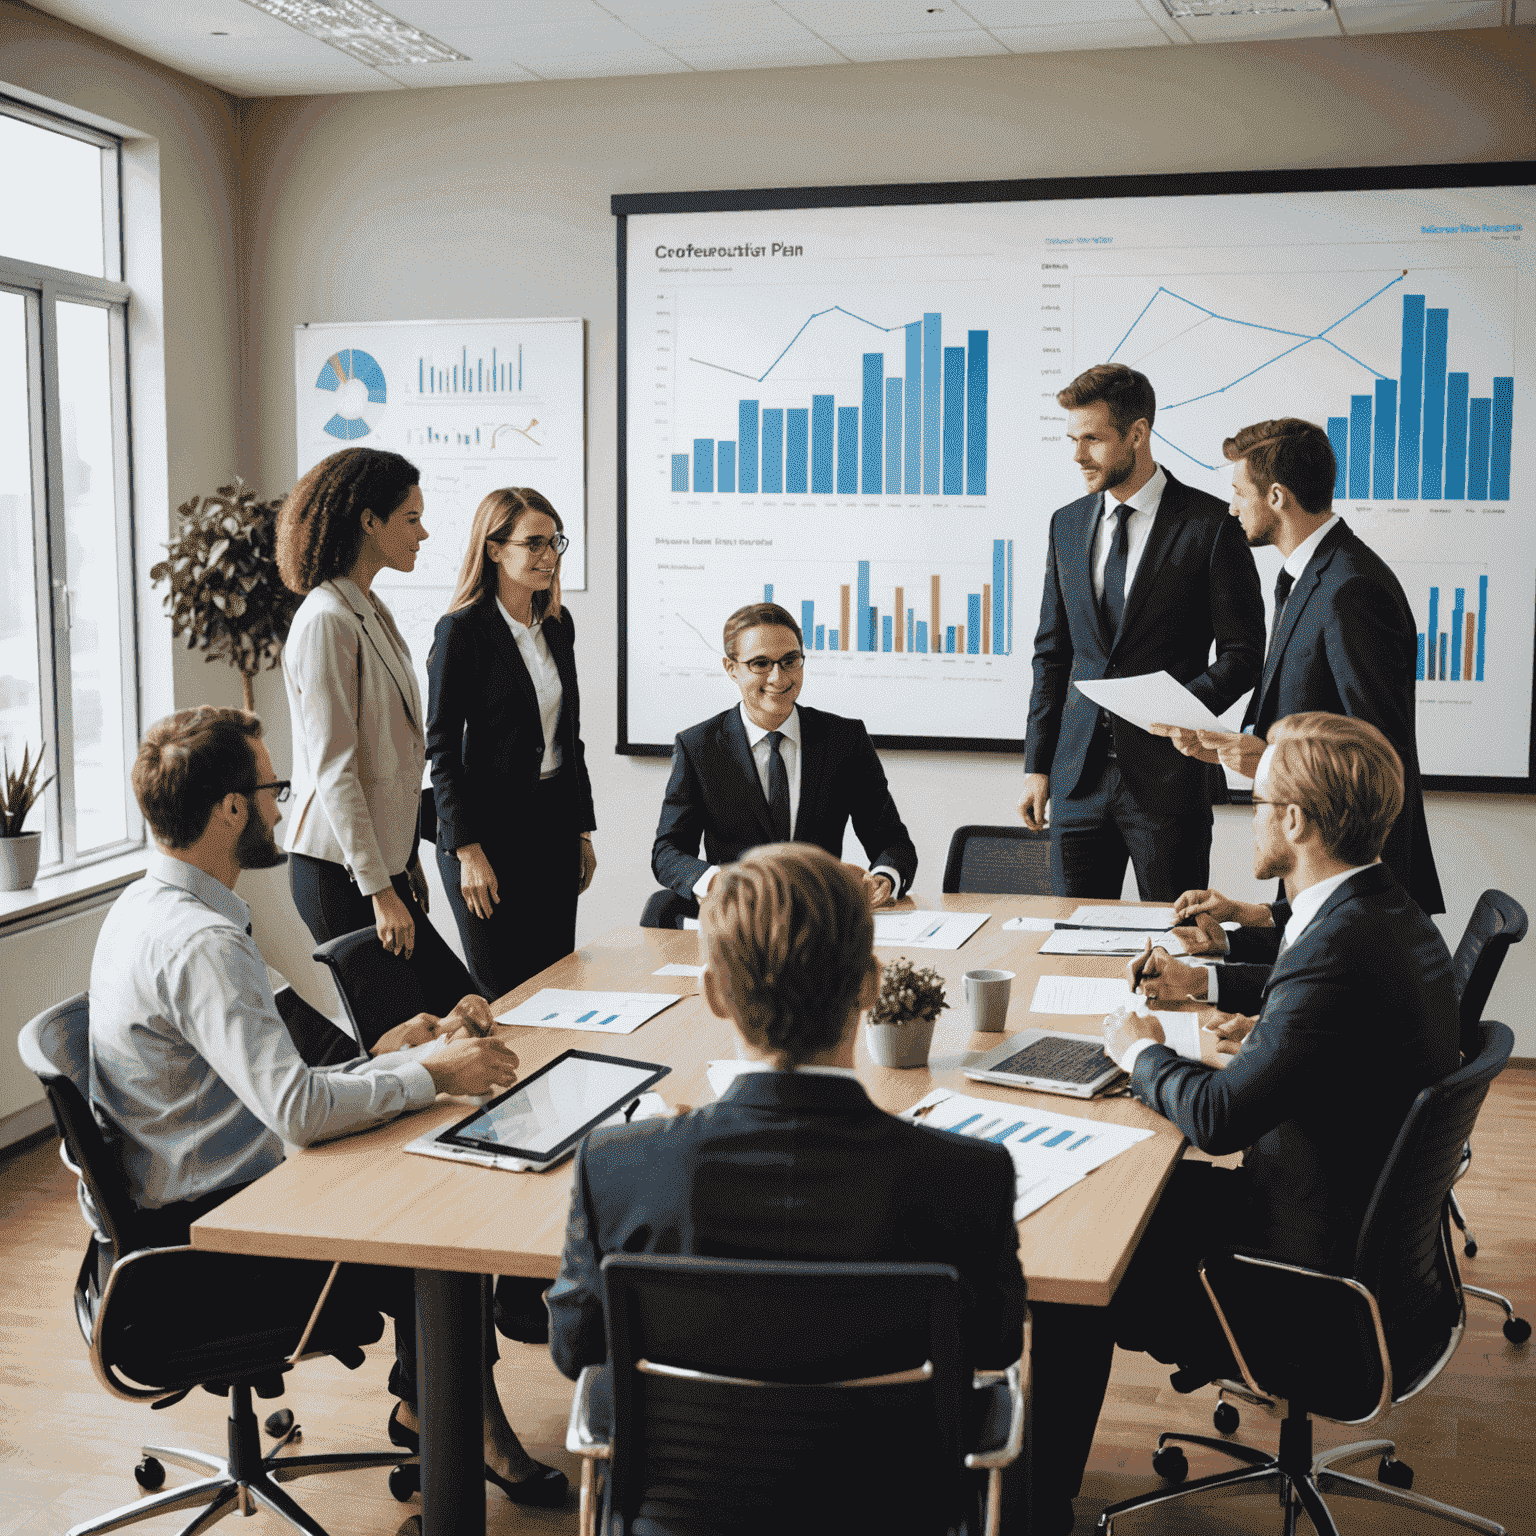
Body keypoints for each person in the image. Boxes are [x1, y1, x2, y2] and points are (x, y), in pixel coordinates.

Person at [89, 706, 568, 1507]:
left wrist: (405, 1051)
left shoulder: (149, 908)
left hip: (177, 1201)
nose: (283, 806)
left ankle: (430, 1402)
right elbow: (299, 1112)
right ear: (231, 807)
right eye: (273, 788)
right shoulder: (201, 942)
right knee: (436, 1203)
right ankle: (462, 1427)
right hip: (216, 1240)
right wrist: (437, 1076)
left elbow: (269, 1074)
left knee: (416, 1145)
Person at [1027, 712, 1459, 1535]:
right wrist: (1230, 1009)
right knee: (1130, 1197)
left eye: (1256, 800)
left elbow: (1221, 1122)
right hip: (1368, 1247)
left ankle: (1037, 1512)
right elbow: (1315, 1028)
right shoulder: (1379, 911)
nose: (1247, 815)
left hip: (1305, 1280)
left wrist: (1141, 1050)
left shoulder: (1338, 945)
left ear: (1295, 821)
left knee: (1078, 1256)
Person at [546, 843, 1025, 1514]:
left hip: (683, 1518)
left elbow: (575, 1350)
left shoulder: (617, 1164)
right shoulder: (970, 1176)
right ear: (869, 984)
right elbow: (995, 1345)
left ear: (712, 991)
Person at [1153, 416, 1443, 918]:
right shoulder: (1312, 576)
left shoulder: (1351, 589)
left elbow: (1377, 756)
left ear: (1277, 498)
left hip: (1357, 893)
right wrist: (1239, 752)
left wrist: (1266, 761)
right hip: (1318, 876)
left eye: (1239, 492)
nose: (1230, 507)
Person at [1020, 363, 1265, 902]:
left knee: (1172, 941)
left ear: (1137, 434)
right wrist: (1037, 766)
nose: (1078, 456)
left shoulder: (1211, 525)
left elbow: (1245, 654)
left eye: (1092, 439)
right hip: (1076, 781)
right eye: (1072, 439)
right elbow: (1052, 655)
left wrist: (1176, 709)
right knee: (1070, 944)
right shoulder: (1066, 523)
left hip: (1170, 781)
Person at [276, 446, 472, 1009]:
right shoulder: (326, 620)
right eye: (411, 519)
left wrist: (404, 857)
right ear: (369, 521)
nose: (424, 533)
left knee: (463, 1012)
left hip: (376, 868)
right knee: (415, 1035)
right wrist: (379, 889)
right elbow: (336, 771)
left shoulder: (368, 608)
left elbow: (392, 757)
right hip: (338, 874)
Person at [645, 602, 917, 927]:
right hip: (740, 925)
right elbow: (668, 851)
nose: (778, 677)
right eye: (760, 663)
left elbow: (891, 840)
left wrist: (883, 879)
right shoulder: (699, 746)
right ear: (732, 668)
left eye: (790, 661)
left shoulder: (845, 740)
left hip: (820, 925)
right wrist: (716, 883)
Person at [426, 487, 597, 999]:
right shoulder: (461, 631)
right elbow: (440, 749)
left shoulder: (558, 626)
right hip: (485, 840)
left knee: (554, 990)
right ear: (495, 549)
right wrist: (466, 849)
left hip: (551, 829)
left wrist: (582, 831)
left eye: (555, 542)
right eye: (534, 543)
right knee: (505, 996)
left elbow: (570, 737)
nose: (549, 556)